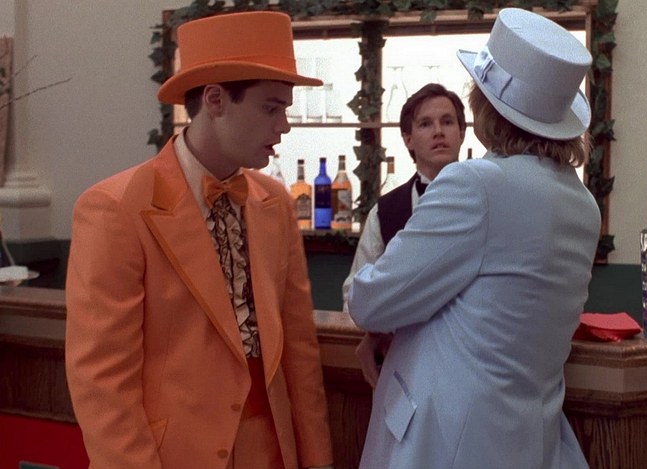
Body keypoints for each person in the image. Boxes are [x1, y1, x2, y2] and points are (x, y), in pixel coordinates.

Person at [65, 12, 333, 469]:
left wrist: (317, 459)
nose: (284, 126)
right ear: (215, 99)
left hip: (271, 452)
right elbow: (102, 380)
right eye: (271, 108)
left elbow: (299, 350)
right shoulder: (115, 208)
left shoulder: (274, 203)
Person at [346, 8, 599, 469]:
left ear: (484, 109)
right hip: (528, 438)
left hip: (444, 443)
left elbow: (371, 302)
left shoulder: (476, 184)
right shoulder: (583, 205)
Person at [342, 83, 466, 387]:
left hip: (470, 366)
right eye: (425, 124)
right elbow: (354, 292)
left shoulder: (488, 198)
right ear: (408, 139)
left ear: (462, 133)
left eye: (447, 122)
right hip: (402, 368)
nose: (439, 131)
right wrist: (375, 332)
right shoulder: (385, 211)